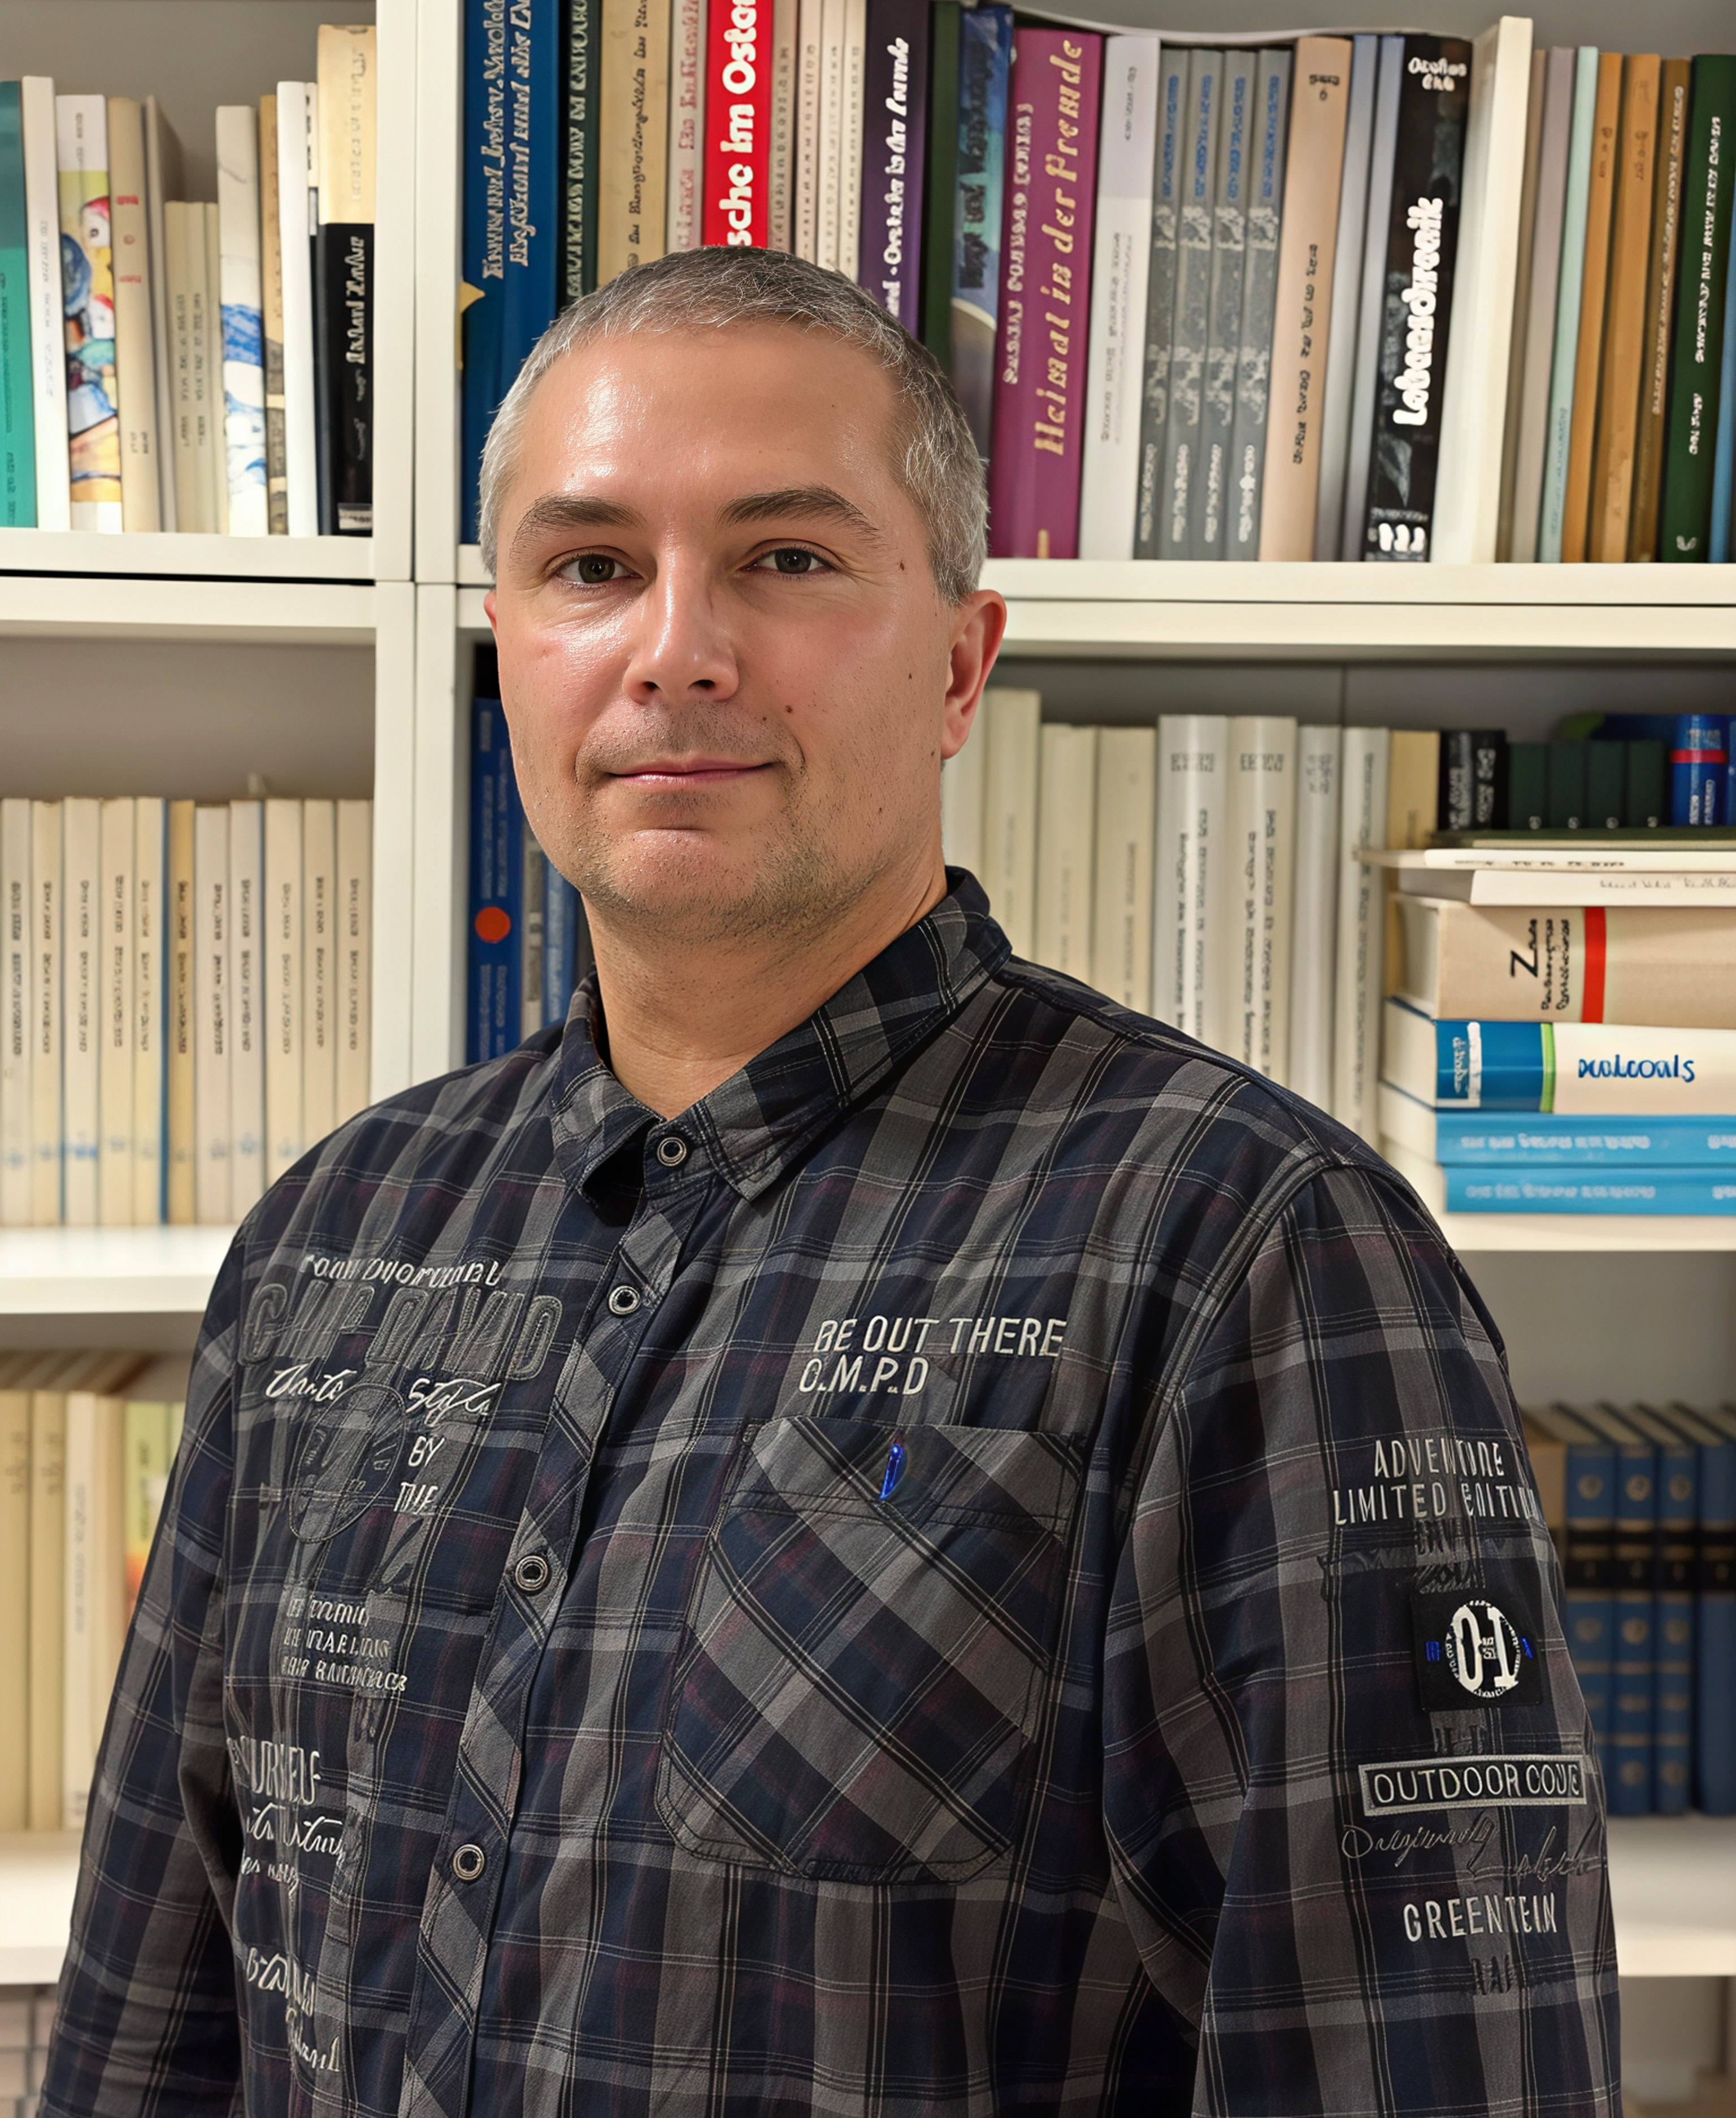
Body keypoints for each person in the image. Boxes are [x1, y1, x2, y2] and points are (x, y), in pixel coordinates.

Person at [42, 248, 1618, 2118]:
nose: (676, 650)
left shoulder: (1246, 1254)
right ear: (510, 646)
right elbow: (151, 2026)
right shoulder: (334, 1241)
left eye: (786, 559)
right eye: (590, 566)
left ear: (959, 665)